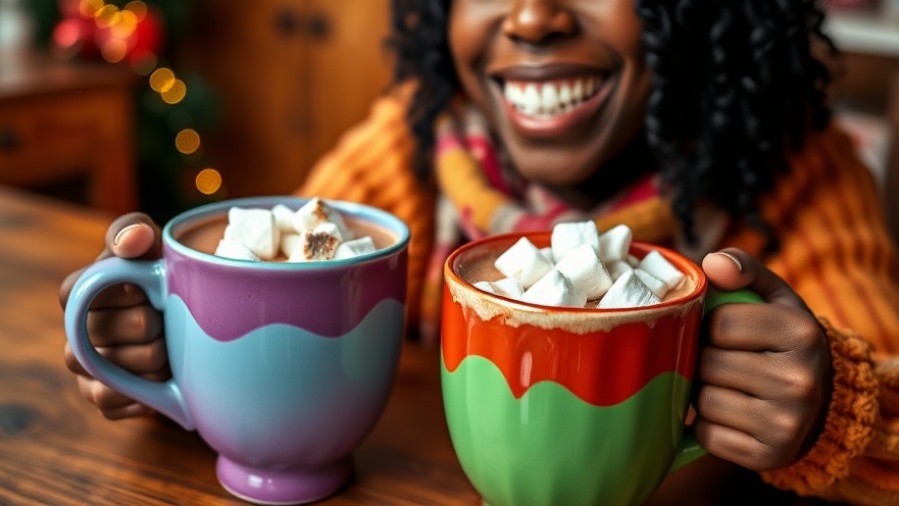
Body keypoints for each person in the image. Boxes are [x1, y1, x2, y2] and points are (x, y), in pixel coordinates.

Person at [59, 0, 899, 504]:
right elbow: (280, 300)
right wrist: (173, 348)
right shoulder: (409, 147)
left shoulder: (801, 178)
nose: (531, 16)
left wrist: (835, 405)